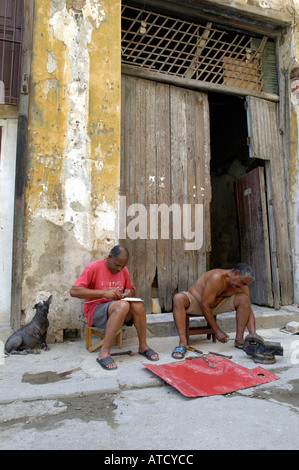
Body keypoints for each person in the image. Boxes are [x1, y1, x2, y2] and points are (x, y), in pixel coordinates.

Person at [70, 245, 159, 370]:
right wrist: (103, 292)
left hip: (118, 310)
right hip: (96, 311)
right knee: (122, 305)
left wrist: (128, 292)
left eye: (122, 266)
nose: (119, 269)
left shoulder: (123, 270)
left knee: (137, 305)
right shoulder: (94, 267)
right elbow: (74, 291)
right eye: (117, 265)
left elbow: (131, 289)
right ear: (109, 257)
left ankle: (143, 346)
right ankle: (104, 352)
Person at [171, 263, 256, 359]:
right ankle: (182, 343)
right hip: (198, 302)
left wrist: (253, 335)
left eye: (245, 284)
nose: (242, 286)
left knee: (244, 299)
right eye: (242, 282)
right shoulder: (217, 277)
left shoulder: (242, 287)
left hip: (217, 305)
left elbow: (249, 312)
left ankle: (239, 340)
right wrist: (217, 331)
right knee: (178, 298)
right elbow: (204, 305)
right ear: (236, 273)